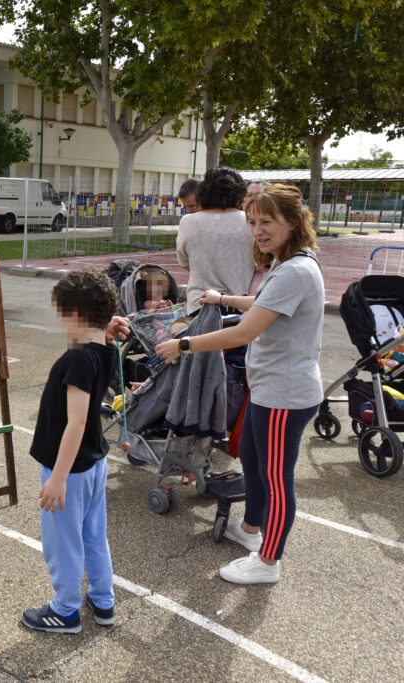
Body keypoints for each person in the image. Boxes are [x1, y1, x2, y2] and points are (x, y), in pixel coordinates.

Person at [156, 184, 323, 585]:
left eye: (267, 221)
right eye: (252, 222)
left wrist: (183, 344)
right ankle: (249, 531)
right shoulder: (289, 263)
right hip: (269, 390)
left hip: (285, 395)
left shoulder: (296, 269)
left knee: (276, 479)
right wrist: (223, 299)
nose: (258, 230)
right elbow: (264, 302)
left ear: (293, 221)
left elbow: (242, 334)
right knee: (250, 459)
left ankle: (268, 562)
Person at [21, 269, 119, 634]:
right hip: (93, 463)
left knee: (63, 541)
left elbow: (75, 422)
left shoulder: (78, 360)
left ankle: (65, 610)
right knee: (94, 534)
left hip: (71, 470)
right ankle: (103, 600)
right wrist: (107, 330)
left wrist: (58, 478)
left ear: (75, 316)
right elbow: (99, 339)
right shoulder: (103, 349)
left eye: (62, 314)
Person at [176, 166, 254, 314]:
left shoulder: (189, 222)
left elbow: (184, 262)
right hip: (240, 305)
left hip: (199, 305)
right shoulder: (251, 221)